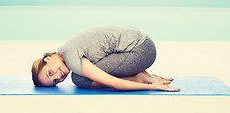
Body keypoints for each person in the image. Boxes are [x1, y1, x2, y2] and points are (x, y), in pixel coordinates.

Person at [31, 25, 180, 91]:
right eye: (56, 81)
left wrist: (151, 86)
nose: (59, 76)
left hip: (141, 51)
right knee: (82, 75)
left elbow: (114, 83)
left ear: (47, 59)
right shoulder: (65, 48)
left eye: (50, 73)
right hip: (142, 43)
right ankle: (142, 74)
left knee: (80, 79)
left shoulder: (71, 57)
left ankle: (140, 77)